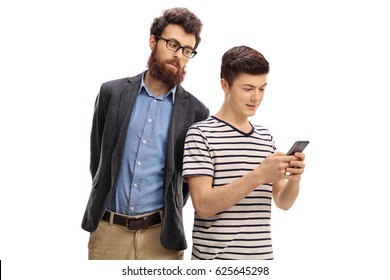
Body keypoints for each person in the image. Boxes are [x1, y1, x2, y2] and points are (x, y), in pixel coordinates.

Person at [81, 7, 209, 260]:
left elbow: (184, 182)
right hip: (109, 232)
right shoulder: (112, 93)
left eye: (187, 50)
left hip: (162, 237)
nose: (179, 56)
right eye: (173, 44)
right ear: (153, 41)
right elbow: (99, 159)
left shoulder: (197, 111)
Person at [182, 46, 306, 260]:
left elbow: (282, 202)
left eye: (262, 88)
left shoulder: (265, 137)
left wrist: (294, 179)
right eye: (248, 88)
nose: (256, 97)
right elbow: (203, 206)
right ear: (225, 85)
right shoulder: (201, 134)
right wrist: (258, 176)